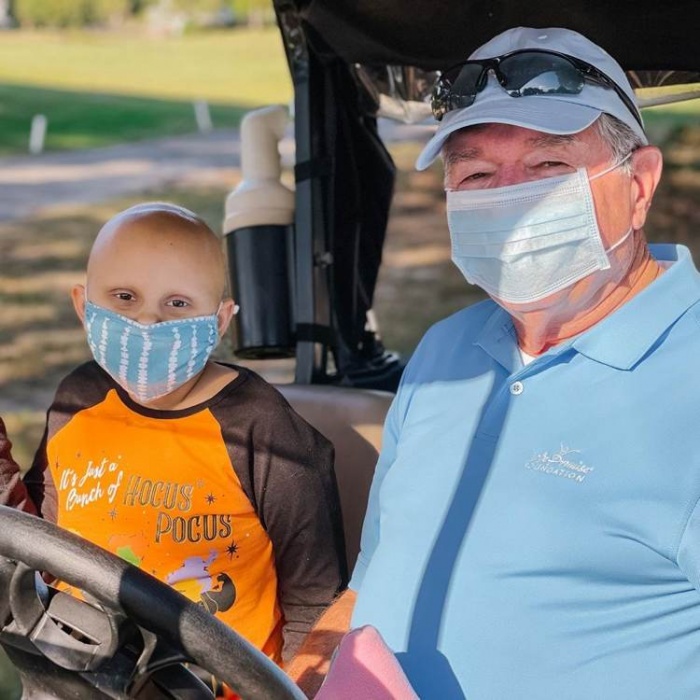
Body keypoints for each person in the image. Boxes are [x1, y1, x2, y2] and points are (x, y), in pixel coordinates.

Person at [289, 26, 700, 699]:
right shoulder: (447, 352)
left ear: (639, 184)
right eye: (478, 174)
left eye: (548, 168)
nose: (510, 200)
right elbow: (372, 582)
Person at [0, 202, 346, 665]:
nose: (148, 322)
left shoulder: (267, 434)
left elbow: (316, 604)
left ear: (220, 321)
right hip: (83, 675)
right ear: (84, 305)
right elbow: (43, 546)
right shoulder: (77, 399)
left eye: (177, 304)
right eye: (124, 297)